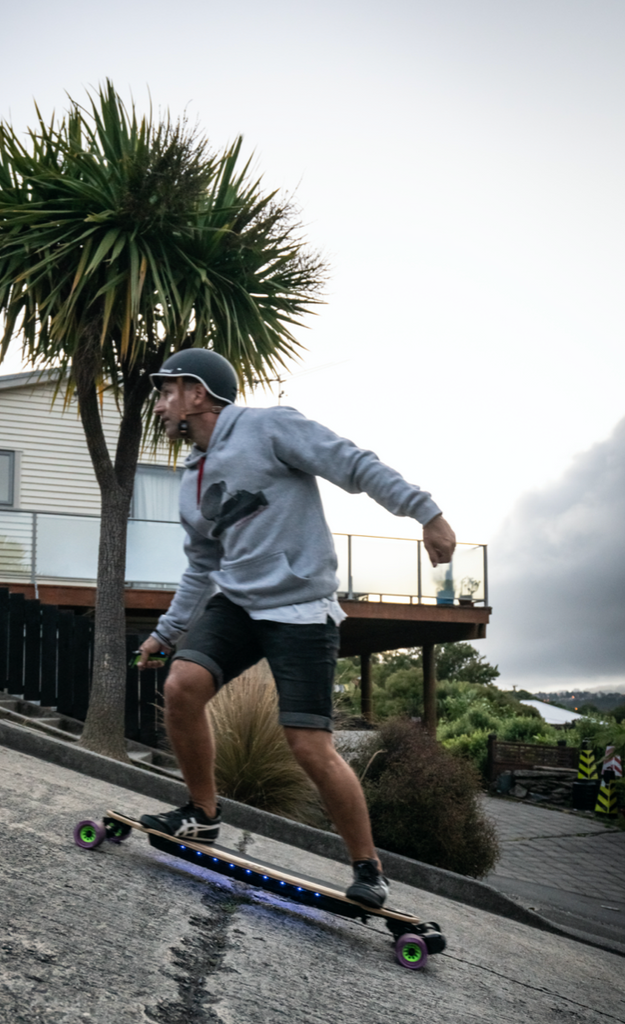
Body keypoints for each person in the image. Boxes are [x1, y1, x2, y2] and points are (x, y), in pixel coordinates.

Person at [136, 349, 456, 908]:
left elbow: (354, 464)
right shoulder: (190, 483)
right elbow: (201, 567)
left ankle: (368, 866)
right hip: (237, 604)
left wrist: (425, 512)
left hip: (301, 609)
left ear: (196, 393)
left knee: (309, 745)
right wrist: (166, 632)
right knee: (181, 686)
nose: (160, 406)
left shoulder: (270, 427)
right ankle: (203, 814)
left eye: (166, 393)